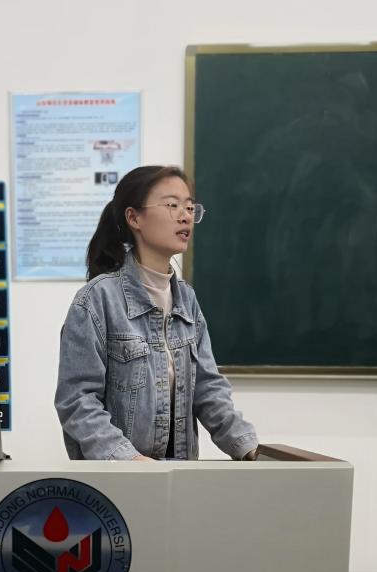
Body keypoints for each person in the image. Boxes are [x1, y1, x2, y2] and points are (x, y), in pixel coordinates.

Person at [54, 165, 258, 462]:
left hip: (177, 476)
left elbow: (208, 389)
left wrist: (249, 448)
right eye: (173, 205)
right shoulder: (97, 299)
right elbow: (77, 401)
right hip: (119, 478)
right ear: (134, 217)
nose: (185, 216)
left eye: (190, 207)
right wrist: (130, 460)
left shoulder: (186, 299)